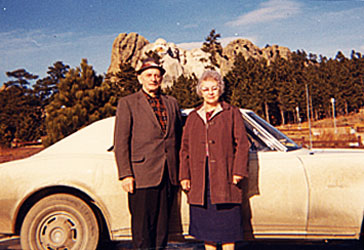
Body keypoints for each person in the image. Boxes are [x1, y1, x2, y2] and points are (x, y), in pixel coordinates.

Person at [113, 57, 182, 249]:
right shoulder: (128, 103)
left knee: (162, 230)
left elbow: (178, 138)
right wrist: (126, 174)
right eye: (149, 75)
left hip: (168, 174)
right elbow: (121, 141)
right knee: (143, 231)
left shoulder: (171, 103)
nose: (153, 79)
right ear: (140, 78)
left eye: (157, 75)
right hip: (141, 175)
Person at [179, 70, 250, 250]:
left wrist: (238, 172)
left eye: (214, 88)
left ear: (220, 89)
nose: (210, 92)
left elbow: (242, 144)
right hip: (200, 181)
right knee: (207, 233)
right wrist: (184, 176)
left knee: (228, 233)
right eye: (206, 89)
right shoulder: (193, 117)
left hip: (225, 179)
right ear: (200, 91)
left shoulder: (232, 113)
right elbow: (184, 149)